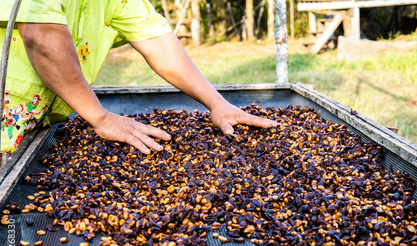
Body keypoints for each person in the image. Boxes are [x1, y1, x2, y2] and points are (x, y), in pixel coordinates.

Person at [0, 0, 277, 154]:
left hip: (32, 128)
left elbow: (157, 40)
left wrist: (217, 103)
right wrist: (101, 118)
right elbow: (42, 36)